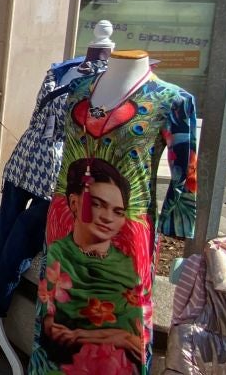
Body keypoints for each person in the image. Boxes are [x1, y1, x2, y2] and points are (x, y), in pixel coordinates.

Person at [39, 158, 142, 370]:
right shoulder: (58, 255)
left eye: (118, 212)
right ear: (74, 203)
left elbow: (135, 342)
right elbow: (49, 325)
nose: (107, 218)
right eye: (97, 204)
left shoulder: (130, 268)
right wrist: (115, 337)